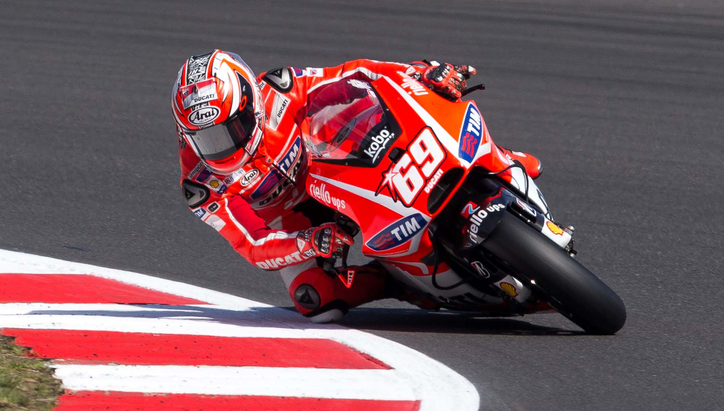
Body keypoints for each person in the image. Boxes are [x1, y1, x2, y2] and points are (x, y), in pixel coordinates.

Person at [172, 50, 542, 322]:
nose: (224, 147)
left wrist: (421, 72)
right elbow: (253, 245)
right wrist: (309, 242)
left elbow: (356, 73)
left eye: (231, 129)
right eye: (206, 138)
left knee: (408, 106)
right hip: (293, 218)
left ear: (250, 103)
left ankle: (494, 157)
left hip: (331, 164)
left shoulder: (280, 90)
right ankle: (401, 283)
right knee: (316, 301)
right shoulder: (200, 186)